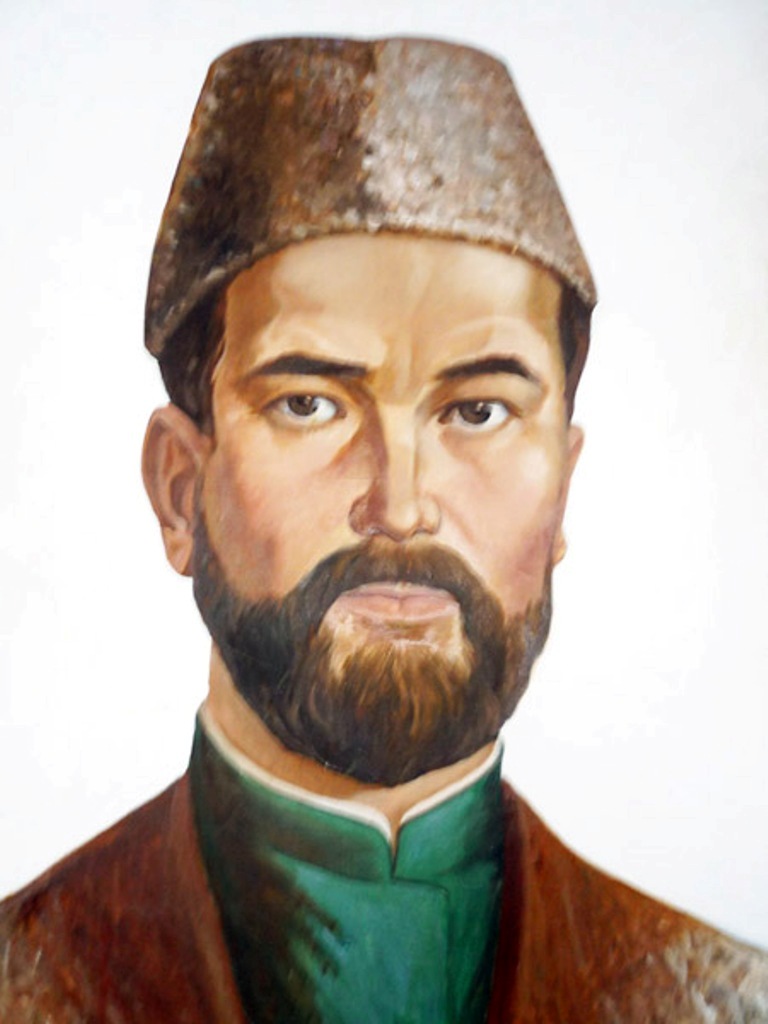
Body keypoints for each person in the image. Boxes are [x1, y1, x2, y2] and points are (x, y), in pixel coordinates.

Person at [1, 35, 766, 1024]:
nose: (401, 506)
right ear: (180, 491)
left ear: (564, 492)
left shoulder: (722, 1003)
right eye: (309, 404)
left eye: (478, 411)